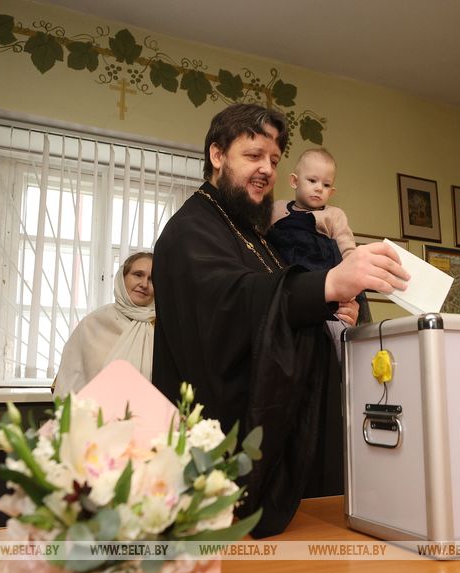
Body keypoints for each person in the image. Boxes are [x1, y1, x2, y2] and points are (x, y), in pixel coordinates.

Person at [152, 103, 408, 537]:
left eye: (273, 160)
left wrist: (331, 306)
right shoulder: (190, 229)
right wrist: (327, 283)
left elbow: (279, 305)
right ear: (217, 155)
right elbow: (234, 304)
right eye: (254, 155)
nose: (267, 170)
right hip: (217, 463)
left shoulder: (252, 231)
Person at [267, 147, 368, 358]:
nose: (319, 188)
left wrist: (354, 283)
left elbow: (348, 250)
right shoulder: (276, 209)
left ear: (332, 192)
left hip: (325, 284)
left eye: (326, 184)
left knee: (339, 339)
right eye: (312, 180)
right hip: (288, 284)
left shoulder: (334, 215)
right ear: (294, 181)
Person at [55, 252, 156, 395]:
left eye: (152, 279)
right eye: (138, 275)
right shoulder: (92, 324)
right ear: (122, 278)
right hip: (94, 409)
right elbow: (68, 383)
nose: (144, 284)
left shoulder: (163, 330)